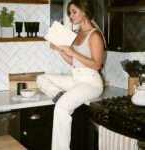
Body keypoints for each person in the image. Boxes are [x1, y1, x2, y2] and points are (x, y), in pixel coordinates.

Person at [36, 0, 105, 149]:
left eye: (74, 12)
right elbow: (73, 62)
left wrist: (72, 51)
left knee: (61, 108)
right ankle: (60, 94)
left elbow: (96, 64)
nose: (71, 16)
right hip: (76, 78)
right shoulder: (77, 34)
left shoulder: (95, 36)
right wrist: (60, 49)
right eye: (70, 12)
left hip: (91, 83)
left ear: (85, 12)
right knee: (41, 78)